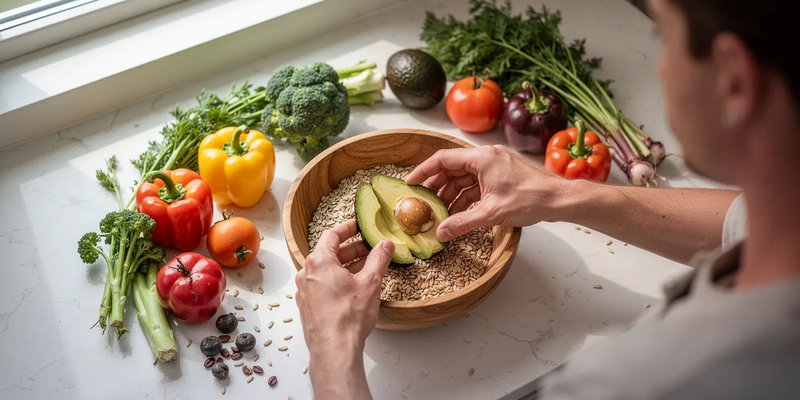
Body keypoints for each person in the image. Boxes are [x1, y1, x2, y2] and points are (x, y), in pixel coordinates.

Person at [293, 0, 800, 398]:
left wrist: (332, 352)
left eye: (663, 35)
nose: (660, 68)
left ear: (735, 80)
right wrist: (559, 192)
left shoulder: (643, 382)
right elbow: (748, 222)